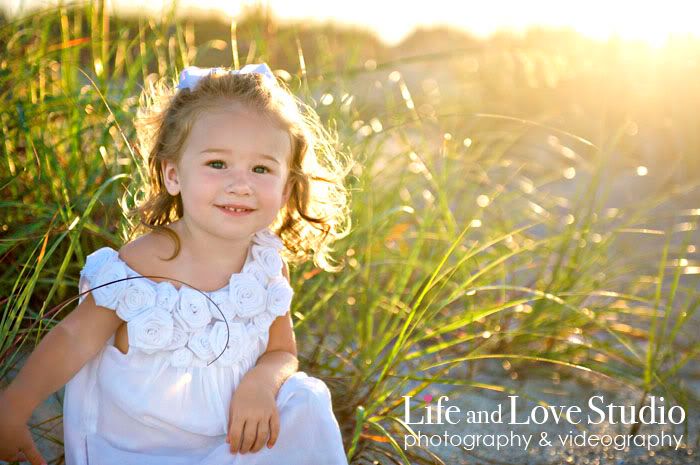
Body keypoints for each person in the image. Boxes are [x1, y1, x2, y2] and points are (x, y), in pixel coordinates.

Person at [0, 63, 352, 465]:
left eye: (261, 169)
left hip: (233, 445)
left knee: (305, 399)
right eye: (217, 164)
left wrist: (261, 382)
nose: (241, 184)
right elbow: (74, 339)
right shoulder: (142, 262)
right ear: (173, 175)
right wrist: (14, 406)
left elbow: (282, 352)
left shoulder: (266, 265)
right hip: (145, 453)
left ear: (286, 186)